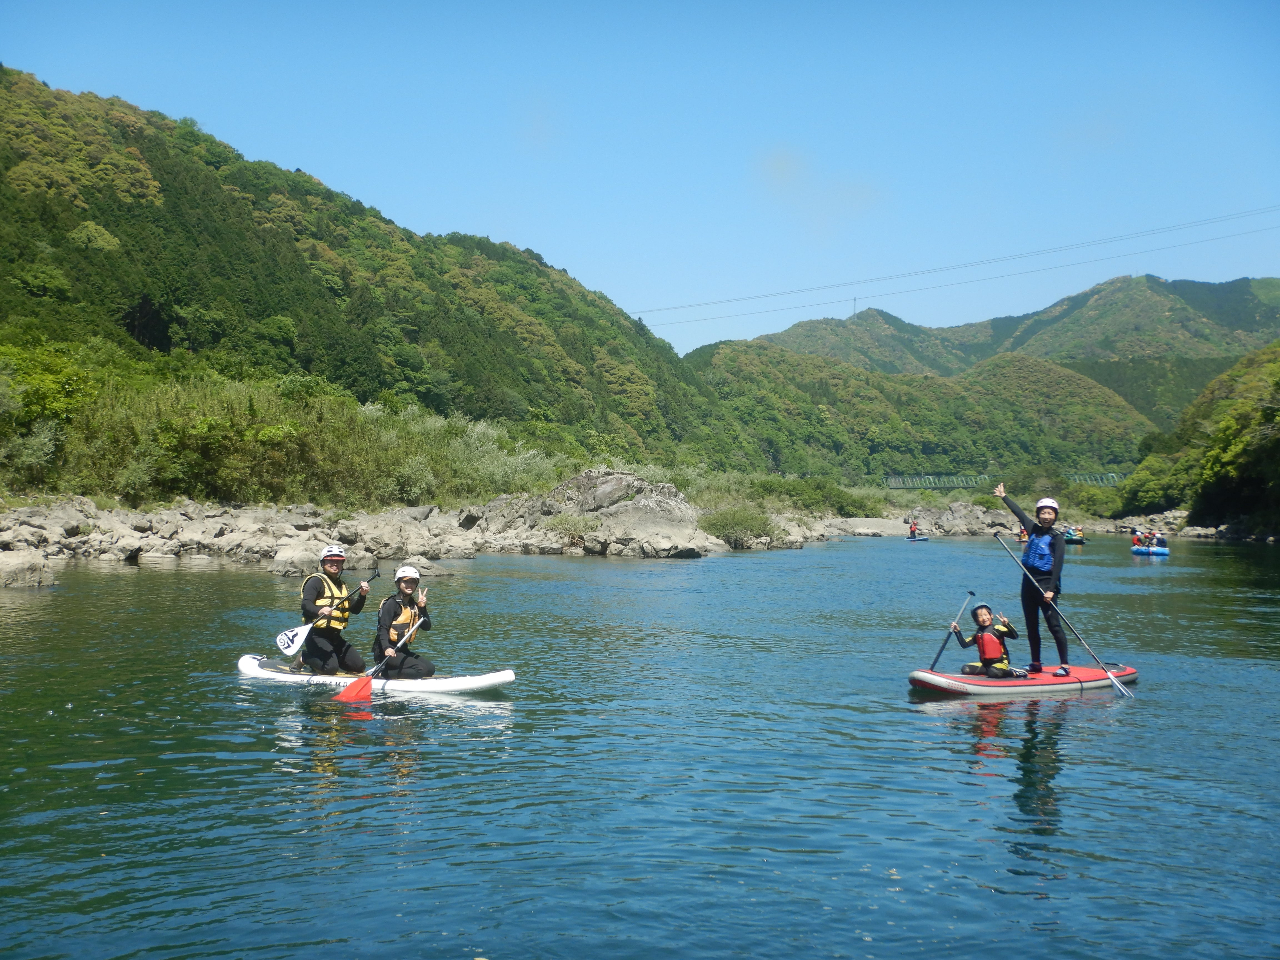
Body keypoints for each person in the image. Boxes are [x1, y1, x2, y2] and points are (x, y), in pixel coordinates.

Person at [994, 483, 1071, 676]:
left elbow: (1059, 565)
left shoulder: (1057, 538)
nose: (1046, 517)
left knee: (1054, 625)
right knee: (1031, 625)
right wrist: (1004, 497)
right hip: (1028, 584)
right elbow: (1018, 513)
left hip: (1046, 585)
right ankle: (1036, 662)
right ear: (1038, 515)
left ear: (1055, 516)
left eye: (1050, 514)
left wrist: (1051, 589)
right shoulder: (1033, 529)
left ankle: (1065, 665)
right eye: (1043, 513)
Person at [300, 545, 370, 675]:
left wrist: (362, 595)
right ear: (323, 563)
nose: (335, 564)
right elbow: (305, 604)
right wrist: (319, 611)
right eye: (330, 561)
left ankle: (329, 660)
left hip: (335, 637)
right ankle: (304, 657)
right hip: (316, 635)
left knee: (359, 666)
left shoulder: (342, 585)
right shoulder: (315, 581)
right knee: (331, 669)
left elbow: (355, 610)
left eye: (338, 561)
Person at [373, 565, 436, 679]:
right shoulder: (391, 604)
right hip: (386, 651)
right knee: (420, 669)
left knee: (430, 668)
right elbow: (382, 629)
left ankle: (392, 671)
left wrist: (422, 608)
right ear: (398, 584)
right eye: (406, 582)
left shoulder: (413, 605)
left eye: (413, 582)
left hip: (402, 649)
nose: (410, 585)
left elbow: (427, 627)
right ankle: (381, 674)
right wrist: (386, 648)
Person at [949, 604, 1026, 678]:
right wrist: (957, 631)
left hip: (1000, 663)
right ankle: (992, 672)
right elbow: (964, 644)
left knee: (993, 672)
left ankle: (1013, 673)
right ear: (976, 620)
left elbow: (1015, 636)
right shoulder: (978, 634)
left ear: (991, 615)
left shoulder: (997, 629)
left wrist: (1007, 624)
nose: (984, 618)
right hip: (986, 665)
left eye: (986, 615)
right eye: (980, 616)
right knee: (965, 669)